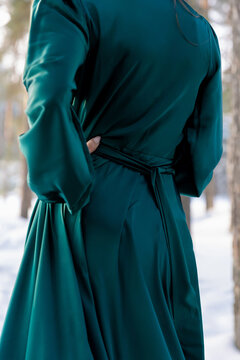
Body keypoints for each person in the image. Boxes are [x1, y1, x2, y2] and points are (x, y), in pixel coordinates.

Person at [0, 0, 223, 359]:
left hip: (87, 205)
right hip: (163, 224)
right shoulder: (201, 32)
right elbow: (200, 159)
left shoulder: (73, 3)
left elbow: (49, 97)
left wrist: (67, 171)